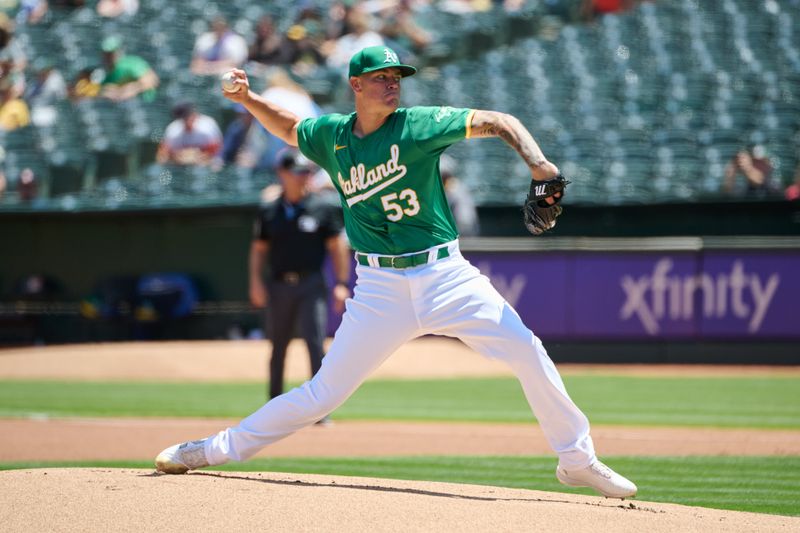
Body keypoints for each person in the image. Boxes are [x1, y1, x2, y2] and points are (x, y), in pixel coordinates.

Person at [155, 45, 637, 500]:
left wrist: (539, 166)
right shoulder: (333, 136)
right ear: (356, 85)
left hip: (445, 276)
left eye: (397, 77)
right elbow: (289, 128)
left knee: (527, 350)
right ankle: (212, 449)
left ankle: (575, 459)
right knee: (322, 393)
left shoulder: (418, 126)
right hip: (379, 288)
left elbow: (499, 120)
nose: (393, 85)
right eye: (381, 78)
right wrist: (249, 98)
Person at [250, 148, 350, 410]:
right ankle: (272, 406)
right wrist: (255, 281)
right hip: (278, 283)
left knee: (315, 344)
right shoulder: (269, 210)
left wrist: (341, 283)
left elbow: (337, 246)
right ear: (281, 173)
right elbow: (259, 249)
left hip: (311, 284)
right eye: (297, 172)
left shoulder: (322, 207)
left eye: (306, 172)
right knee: (278, 346)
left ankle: (320, 408)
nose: (302, 177)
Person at [156, 101, 223, 167]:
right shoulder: (173, 130)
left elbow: (219, 152)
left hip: (205, 169)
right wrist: (176, 157)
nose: (185, 120)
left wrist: (199, 156)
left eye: (187, 116)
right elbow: (161, 157)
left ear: (194, 114)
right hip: (179, 170)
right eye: (182, 118)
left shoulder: (207, 127)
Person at [99, 36, 159, 102]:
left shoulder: (131, 63)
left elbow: (152, 80)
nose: (108, 57)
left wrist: (124, 91)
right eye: (106, 54)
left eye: (111, 53)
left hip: (144, 102)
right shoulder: (104, 73)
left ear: (119, 52)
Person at [439, 154, 480, 237]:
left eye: (445, 176)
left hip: (460, 240)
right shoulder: (431, 189)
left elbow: (465, 222)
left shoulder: (456, 189)